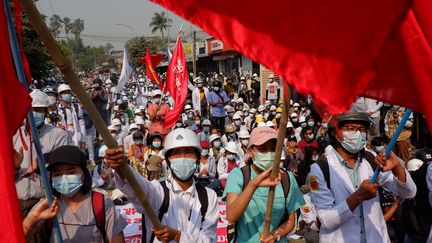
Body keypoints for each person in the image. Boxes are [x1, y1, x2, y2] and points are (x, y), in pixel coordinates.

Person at [307, 110, 416, 243]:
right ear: (335, 133)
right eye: (350, 129)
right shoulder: (320, 168)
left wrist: (397, 167)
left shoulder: (370, 159)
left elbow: (409, 192)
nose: (358, 134)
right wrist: (358, 197)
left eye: (362, 130)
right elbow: (326, 220)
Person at [105, 128, 219, 242]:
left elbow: (209, 239)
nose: (183, 158)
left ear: (197, 158)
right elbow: (138, 186)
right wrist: (121, 168)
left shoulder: (209, 196)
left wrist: (178, 236)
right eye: (176, 153)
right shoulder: (158, 190)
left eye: (189, 152)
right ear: (168, 160)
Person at [223, 126, 305, 242]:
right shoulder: (239, 175)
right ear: (250, 152)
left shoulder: (287, 178)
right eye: (263, 149)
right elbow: (231, 216)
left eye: (273, 149)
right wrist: (254, 184)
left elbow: (291, 221)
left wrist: (275, 235)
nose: (269, 153)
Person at [47, 145, 126, 242]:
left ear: (84, 173)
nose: (64, 178)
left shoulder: (101, 204)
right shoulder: (48, 206)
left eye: (71, 172)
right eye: (57, 174)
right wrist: (31, 221)